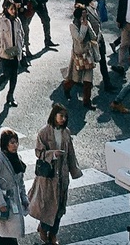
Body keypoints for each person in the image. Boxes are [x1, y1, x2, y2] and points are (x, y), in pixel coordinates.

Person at [29, 104, 83, 245]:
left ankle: (53, 234)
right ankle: (43, 228)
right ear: (54, 115)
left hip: (62, 176)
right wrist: (52, 154)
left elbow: (71, 153)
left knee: (59, 206)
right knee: (47, 205)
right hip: (48, 176)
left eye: (65, 117)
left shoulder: (66, 133)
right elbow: (38, 152)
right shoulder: (44, 133)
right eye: (61, 116)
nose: (63, 119)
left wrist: (74, 171)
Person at [0, 129, 30, 242]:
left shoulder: (17, 158)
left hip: (15, 202)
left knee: (8, 232)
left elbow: (20, 182)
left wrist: (24, 198)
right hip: (5, 201)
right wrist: (1, 203)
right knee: (7, 233)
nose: (15, 145)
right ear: (5, 143)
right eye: (12, 143)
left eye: (16, 142)